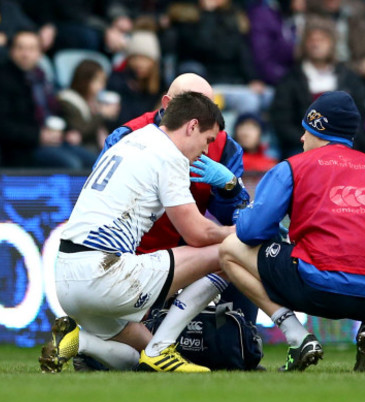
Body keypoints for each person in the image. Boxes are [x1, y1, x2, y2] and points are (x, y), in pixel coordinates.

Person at [219, 91, 365, 372]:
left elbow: (251, 232)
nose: (301, 139)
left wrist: (240, 203)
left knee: (229, 250)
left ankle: (298, 337)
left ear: (317, 129)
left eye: (305, 131)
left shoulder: (291, 167)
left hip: (317, 288)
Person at [70, 73, 257, 371]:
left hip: (70, 269)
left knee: (134, 358)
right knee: (236, 249)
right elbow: (199, 233)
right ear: (173, 107)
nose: (208, 144)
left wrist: (230, 187)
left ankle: (83, 343)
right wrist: (246, 232)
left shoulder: (135, 138)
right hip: (128, 261)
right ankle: (161, 348)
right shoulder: (164, 151)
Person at [0, 31, 98, 168]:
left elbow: (56, 112)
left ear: (39, 53)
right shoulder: (0, 80)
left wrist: (68, 131)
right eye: (20, 48)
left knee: (95, 162)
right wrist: (38, 136)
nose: (25, 54)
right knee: (72, 164)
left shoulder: (41, 78)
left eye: (31, 49)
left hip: (55, 142)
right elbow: (1, 126)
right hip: (23, 149)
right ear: (11, 51)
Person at [270, 17, 365, 158]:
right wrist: (312, 142)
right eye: (312, 40)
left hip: (344, 149)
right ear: (304, 44)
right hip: (302, 148)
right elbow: (282, 122)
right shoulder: (291, 80)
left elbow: (361, 116)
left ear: (332, 43)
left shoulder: (349, 78)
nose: (316, 44)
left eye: (322, 39)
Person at [58, 59, 119, 153]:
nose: (102, 86)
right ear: (85, 80)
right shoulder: (67, 100)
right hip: (74, 148)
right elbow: (80, 131)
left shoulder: (95, 101)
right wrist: (101, 114)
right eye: (98, 81)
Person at [107, 30, 163, 124]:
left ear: (154, 62)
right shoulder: (117, 80)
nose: (139, 64)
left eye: (145, 58)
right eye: (135, 58)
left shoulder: (161, 86)